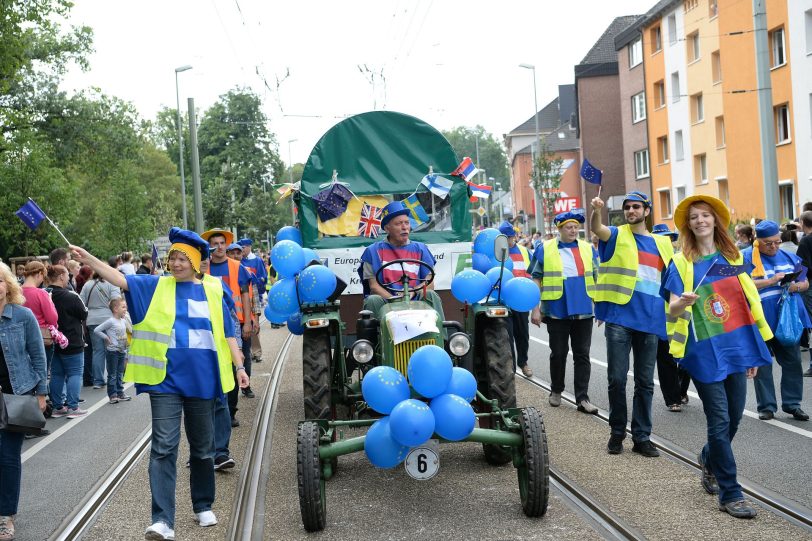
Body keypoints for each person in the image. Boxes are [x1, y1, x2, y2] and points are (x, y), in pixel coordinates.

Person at [70, 227, 249, 541]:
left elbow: (227, 332)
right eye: (173, 258)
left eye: (183, 259)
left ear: (195, 262)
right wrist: (89, 259)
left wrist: (239, 366)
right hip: (164, 380)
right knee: (164, 448)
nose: (177, 264)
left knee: (204, 448)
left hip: (203, 380)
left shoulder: (214, 290)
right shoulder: (154, 286)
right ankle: (162, 520)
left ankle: (203, 503)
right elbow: (120, 279)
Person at [662, 195, 772, 518]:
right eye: (693, 217)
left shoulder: (733, 256)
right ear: (688, 224)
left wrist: (752, 350)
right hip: (701, 350)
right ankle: (730, 493)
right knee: (720, 418)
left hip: (736, 346)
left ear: (715, 221)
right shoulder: (681, 261)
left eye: (705, 216)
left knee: (735, 416)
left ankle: (709, 457)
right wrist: (683, 301)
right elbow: (671, 307)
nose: (700, 221)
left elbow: (746, 303)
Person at [590, 191, 674, 457]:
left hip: (650, 320)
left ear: (646, 211)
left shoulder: (663, 244)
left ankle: (641, 436)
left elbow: (672, 281)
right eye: (627, 207)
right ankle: (617, 432)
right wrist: (596, 211)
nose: (631, 211)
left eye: (636, 207)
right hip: (619, 318)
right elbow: (597, 228)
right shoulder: (616, 234)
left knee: (645, 382)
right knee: (616, 379)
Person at [530, 210, 598, 414]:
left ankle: (583, 398)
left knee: (582, 355)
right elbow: (535, 278)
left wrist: (601, 307)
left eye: (576, 227)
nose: (573, 230)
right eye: (569, 227)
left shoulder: (587, 248)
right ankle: (556, 390)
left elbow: (597, 277)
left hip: (584, 310)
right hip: (557, 310)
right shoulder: (545, 248)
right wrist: (536, 308)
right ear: (559, 229)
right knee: (558, 353)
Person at [742, 220, 810, 421]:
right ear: (757, 241)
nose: (774, 246)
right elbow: (740, 286)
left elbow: (805, 282)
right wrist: (772, 281)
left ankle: (792, 404)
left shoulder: (790, 256)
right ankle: (767, 406)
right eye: (768, 243)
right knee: (763, 364)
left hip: (786, 319)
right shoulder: (745, 257)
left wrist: (794, 286)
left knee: (793, 362)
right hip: (759, 319)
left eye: (777, 242)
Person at [0, 262, 48, 541]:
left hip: (15, 395)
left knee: (7, 458)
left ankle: (6, 516)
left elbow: (38, 355)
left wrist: (41, 392)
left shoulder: (23, 316)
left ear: (8, 284)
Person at [358, 201, 445, 322]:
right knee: (372, 300)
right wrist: (396, 300)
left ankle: (442, 339)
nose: (404, 227)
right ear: (387, 228)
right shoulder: (372, 251)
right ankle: (374, 340)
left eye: (407, 223)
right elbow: (374, 286)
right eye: (399, 224)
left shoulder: (421, 249)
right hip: (387, 301)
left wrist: (412, 294)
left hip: (415, 298)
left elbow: (429, 283)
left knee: (430, 294)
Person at [203, 229, 255, 405]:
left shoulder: (237, 267)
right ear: (209, 247)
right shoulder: (204, 268)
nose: (219, 247)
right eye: (215, 244)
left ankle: (232, 407)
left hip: (237, 323)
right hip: (211, 325)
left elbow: (246, 295)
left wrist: (247, 323)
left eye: (222, 243)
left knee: (239, 360)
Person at [652, 224, 692, 412]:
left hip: (682, 315)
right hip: (659, 318)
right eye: (661, 238)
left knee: (686, 357)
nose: (664, 242)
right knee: (666, 358)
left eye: (668, 238)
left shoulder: (679, 261)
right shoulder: (649, 263)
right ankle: (672, 398)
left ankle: (682, 390)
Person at [47, 265, 88, 419]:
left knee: (57, 374)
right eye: (67, 275)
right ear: (62, 277)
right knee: (74, 373)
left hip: (51, 340)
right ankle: (73, 406)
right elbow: (84, 312)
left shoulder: (44, 294)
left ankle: (58, 406)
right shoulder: (70, 296)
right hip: (72, 340)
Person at [498, 220, 533, 378]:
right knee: (507, 335)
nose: (509, 240)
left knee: (523, 334)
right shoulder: (497, 253)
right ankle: (510, 367)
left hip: (521, 300)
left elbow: (532, 273)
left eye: (510, 237)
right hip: (505, 301)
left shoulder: (525, 252)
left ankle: (523, 362)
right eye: (505, 237)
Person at [80, 269, 123, 390]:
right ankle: (113, 377)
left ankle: (98, 380)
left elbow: (82, 303)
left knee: (97, 351)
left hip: (92, 320)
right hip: (109, 319)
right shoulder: (111, 284)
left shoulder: (87, 284)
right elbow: (117, 301)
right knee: (113, 349)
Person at [93, 297, 133, 404]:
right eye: (123, 307)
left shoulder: (123, 321)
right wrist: (106, 337)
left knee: (120, 373)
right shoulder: (111, 321)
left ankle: (120, 392)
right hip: (113, 352)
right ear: (115, 309)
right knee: (112, 374)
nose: (125, 309)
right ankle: (113, 395)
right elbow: (97, 330)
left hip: (122, 351)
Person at [238, 238, 267, 364]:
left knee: (254, 325)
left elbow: (263, 277)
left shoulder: (257, 260)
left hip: (253, 296)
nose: (242, 250)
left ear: (249, 247)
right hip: (240, 298)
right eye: (241, 247)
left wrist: (259, 284)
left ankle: (257, 352)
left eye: (244, 247)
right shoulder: (239, 261)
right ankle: (248, 352)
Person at [796, 210, 812, 377]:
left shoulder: (806, 241)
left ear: (802, 223)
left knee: (811, 325)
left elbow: (801, 266)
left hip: (810, 285)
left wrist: (799, 283)